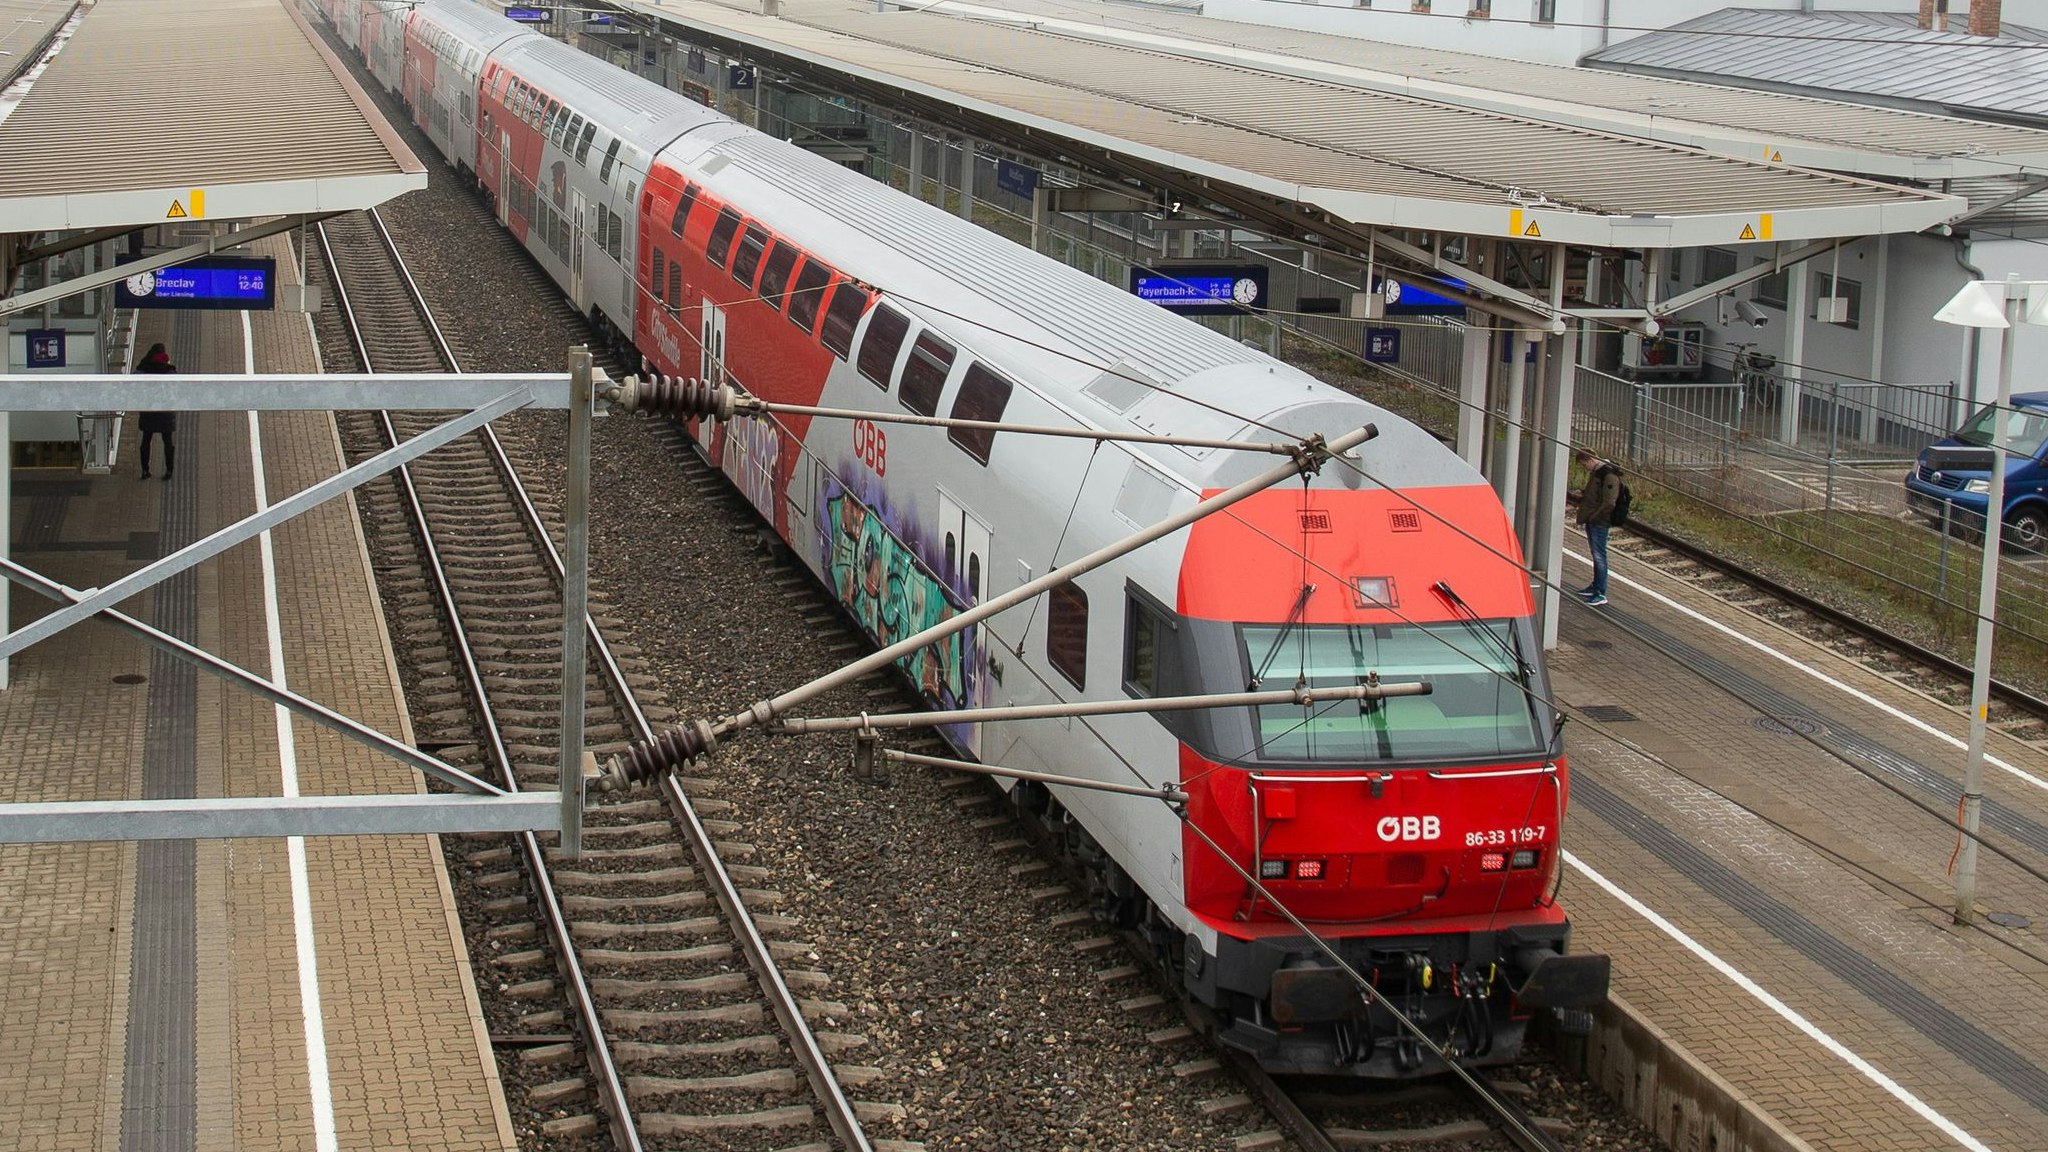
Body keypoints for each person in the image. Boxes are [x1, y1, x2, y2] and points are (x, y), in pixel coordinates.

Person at [1574, 449, 1621, 607]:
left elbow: (1609, 502)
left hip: (1599, 521)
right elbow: (1597, 494)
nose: (1585, 468)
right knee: (1596, 555)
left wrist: (1594, 517)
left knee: (1599, 556)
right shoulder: (1598, 472)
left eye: (1584, 465)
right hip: (1594, 519)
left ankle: (1600, 593)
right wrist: (1583, 493)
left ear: (1589, 460)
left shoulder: (1608, 475)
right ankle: (1595, 586)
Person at [134, 343, 177, 481]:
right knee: (168, 441)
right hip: (165, 411)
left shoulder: (144, 368)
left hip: (149, 409)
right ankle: (169, 470)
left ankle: (145, 470)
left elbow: (134, 379)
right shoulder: (169, 371)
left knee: (146, 440)